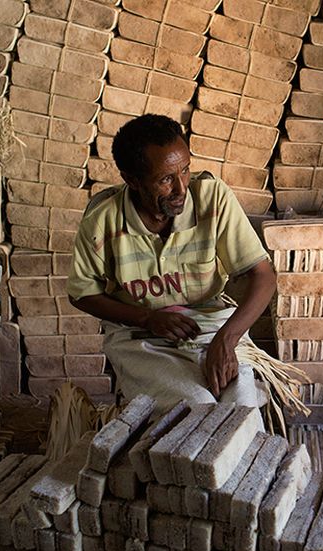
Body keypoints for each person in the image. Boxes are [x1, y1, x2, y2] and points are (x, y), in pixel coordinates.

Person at [66, 114, 277, 410]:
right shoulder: (103, 220)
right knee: (196, 405)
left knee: (241, 405)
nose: (181, 189)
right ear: (132, 180)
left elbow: (263, 275)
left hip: (213, 327)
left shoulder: (212, 198)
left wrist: (227, 339)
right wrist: (146, 318)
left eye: (185, 171)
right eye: (166, 179)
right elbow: (82, 293)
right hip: (141, 337)